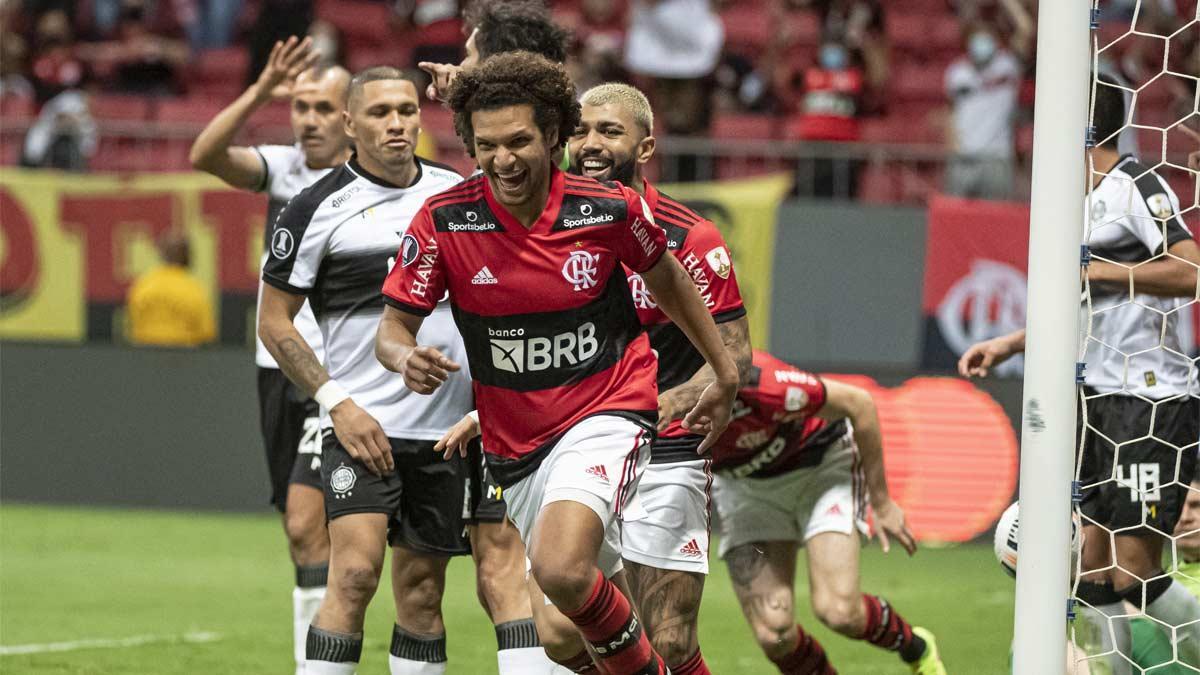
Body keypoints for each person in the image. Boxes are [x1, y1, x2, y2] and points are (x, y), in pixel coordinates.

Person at [376, 52, 738, 675]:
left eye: (519, 141)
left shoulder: (607, 211)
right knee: (558, 635)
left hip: (608, 410)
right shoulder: (443, 221)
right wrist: (404, 357)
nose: (503, 159)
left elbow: (669, 278)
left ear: (551, 136)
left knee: (563, 570)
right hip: (517, 446)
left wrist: (723, 370)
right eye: (486, 145)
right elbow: (392, 330)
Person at [960, 76, 1200, 673]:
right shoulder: (1073, 202)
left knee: (1135, 573)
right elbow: (1088, 311)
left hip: (1151, 398)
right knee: (1091, 570)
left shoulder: (1136, 184)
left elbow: (1191, 269)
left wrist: (1107, 275)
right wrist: (1013, 343)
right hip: (1096, 399)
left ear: (1081, 124)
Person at [258, 66, 472, 675]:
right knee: (352, 576)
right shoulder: (313, 208)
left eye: (406, 109)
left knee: (424, 592)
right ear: (351, 124)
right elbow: (274, 323)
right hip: (359, 426)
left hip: (443, 429)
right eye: (379, 113)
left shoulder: (452, 194)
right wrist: (337, 404)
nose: (398, 123)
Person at [570, 82, 752, 675]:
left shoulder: (689, 236)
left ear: (645, 146)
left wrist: (670, 399)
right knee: (559, 636)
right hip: (572, 445)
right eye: (581, 131)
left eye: (609, 132)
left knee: (668, 640)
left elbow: (734, 350)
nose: (591, 144)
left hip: (664, 448)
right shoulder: (550, 229)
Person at [189, 36, 349, 675]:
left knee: (306, 525)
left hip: (332, 371)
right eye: (301, 106)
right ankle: (322, 651)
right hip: (271, 365)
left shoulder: (369, 182)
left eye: (322, 108)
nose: (308, 119)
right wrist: (259, 89)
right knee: (301, 526)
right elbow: (203, 154)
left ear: (349, 116)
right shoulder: (282, 168)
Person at [708, 349, 945, 674]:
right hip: (746, 492)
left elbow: (859, 405)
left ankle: (916, 648)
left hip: (820, 468)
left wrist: (882, 501)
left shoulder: (762, 382)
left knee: (839, 611)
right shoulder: (660, 404)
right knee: (774, 633)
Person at [943, 21, 1023, 200]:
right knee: (956, 218)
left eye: (987, 39)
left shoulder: (1008, 66)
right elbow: (949, 111)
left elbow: (1025, 30)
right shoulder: (957, 73)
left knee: (997, 219)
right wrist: (952, 144)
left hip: (997, 157)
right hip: (964, 157)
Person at [126, 229, 216, 347]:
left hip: (144, 354)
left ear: (163, 254)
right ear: (187, 256)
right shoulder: (193, 289)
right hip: (183, 358)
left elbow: (131, 323)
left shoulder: (143, 285)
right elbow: (206, 332)